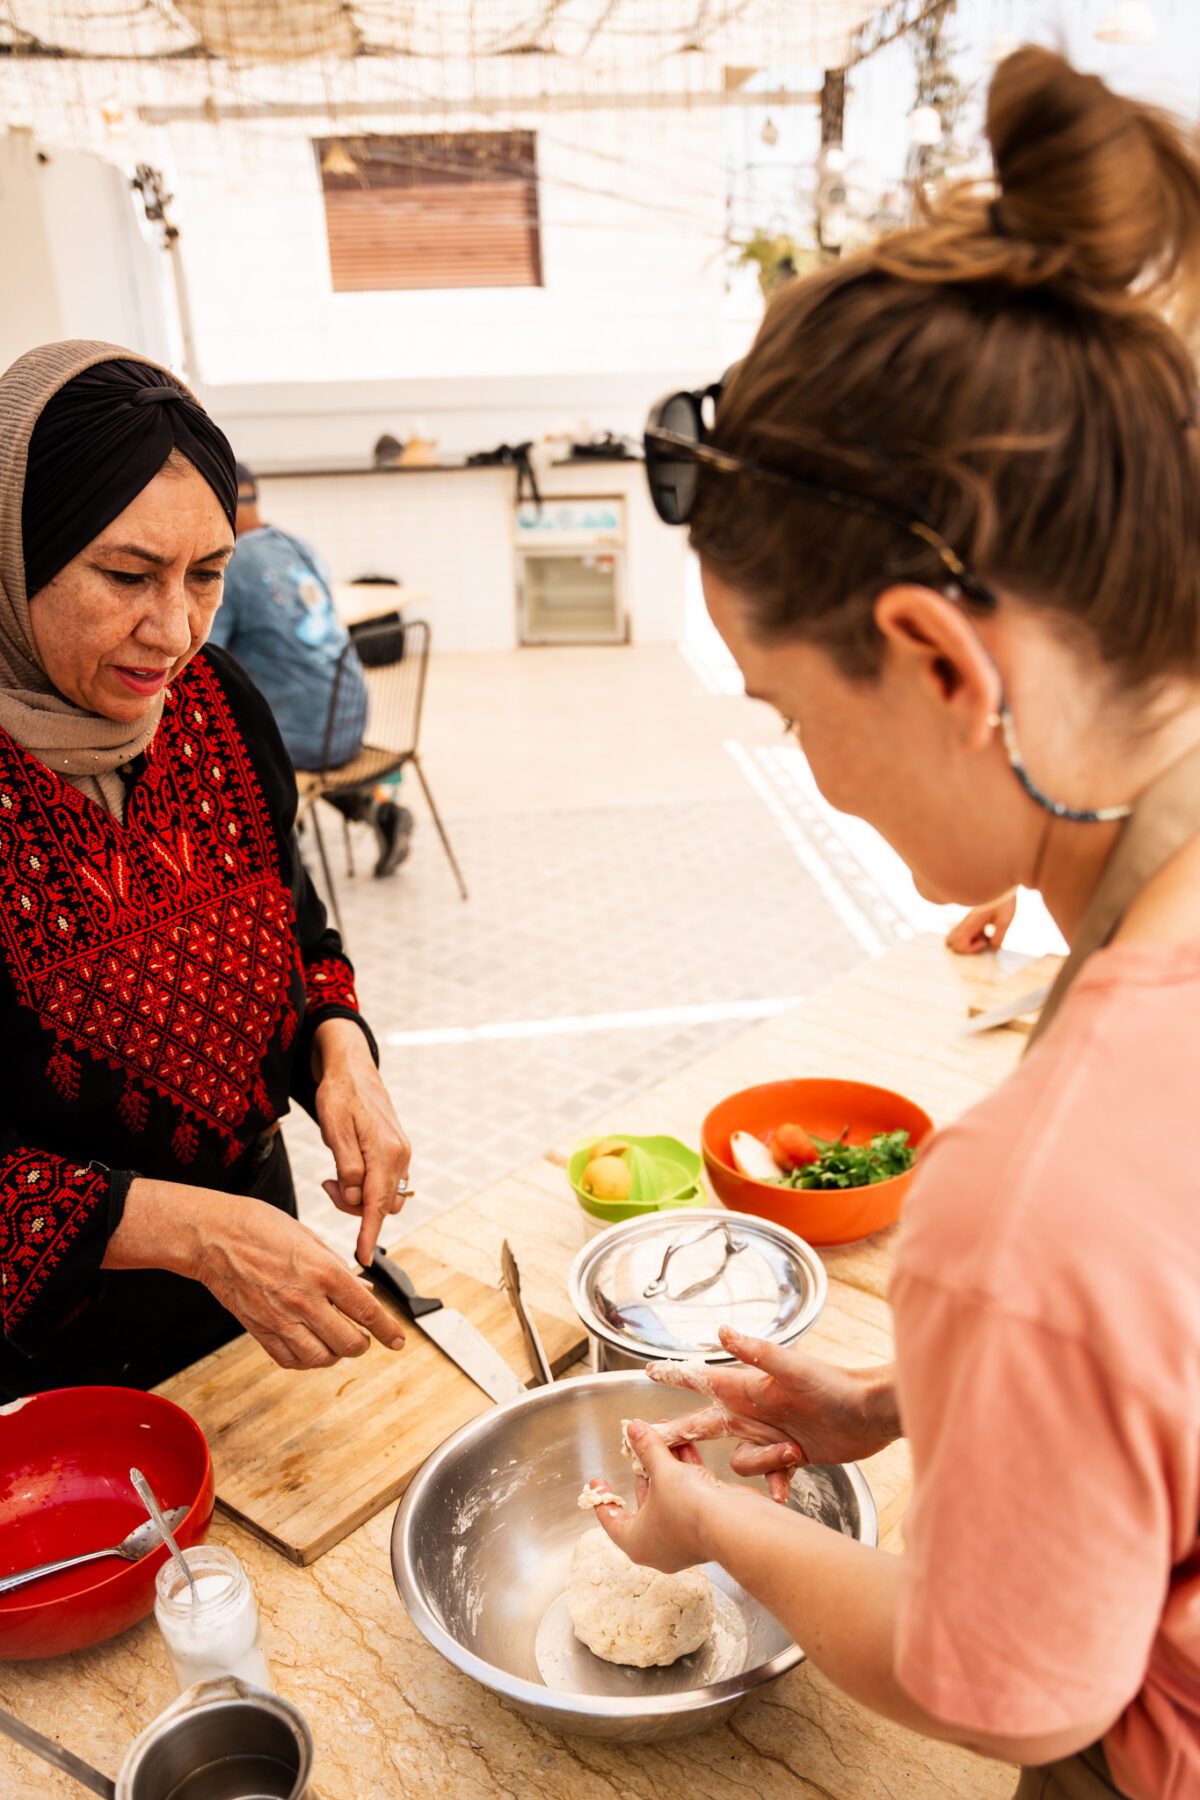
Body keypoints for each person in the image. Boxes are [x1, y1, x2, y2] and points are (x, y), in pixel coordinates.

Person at [593, 49, 1200, 1800]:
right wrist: (898, 1401)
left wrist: (723, 1527)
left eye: (792, 712)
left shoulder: (1036, 1196)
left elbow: (1016, 1690)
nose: (814, 773)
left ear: (942, 662)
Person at [0, 342, 413, 1396]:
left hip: (256, 1296)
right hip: (50, 1370)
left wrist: (338, 1049)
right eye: (127, 575)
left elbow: (301, 931)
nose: (175, 631)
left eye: (209, 576)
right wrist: (181, 1228)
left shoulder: (218, 705)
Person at [210, 463, 411, 877]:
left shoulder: (233, 565)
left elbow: (205, 656)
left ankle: (273, 845)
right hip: (351, 725)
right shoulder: (299, 544)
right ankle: (374, 809)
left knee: (207, 732)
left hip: (303, 743)